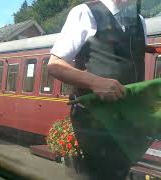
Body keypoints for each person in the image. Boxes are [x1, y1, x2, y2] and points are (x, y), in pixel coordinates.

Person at [47, 0, 160, 179]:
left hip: (128, 117)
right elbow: (54, 65)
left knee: (119, 171)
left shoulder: (139, 21)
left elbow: (129, 50)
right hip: (96, 118)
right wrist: (95, 82)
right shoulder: (85, 13)